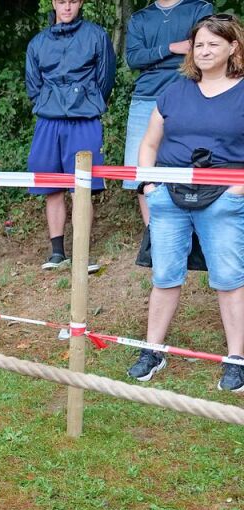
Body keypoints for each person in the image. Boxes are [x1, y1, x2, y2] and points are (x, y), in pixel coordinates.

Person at [130, 13, 244, 393]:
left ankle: (236, 359)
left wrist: (238, 191)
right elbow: (148, 143)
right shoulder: (174, 90)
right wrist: (148, 185)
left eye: (214, 43)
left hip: (224, 199)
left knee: (229, 279)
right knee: (164, 276)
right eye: (199, 44)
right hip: (168, 196)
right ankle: (152, 349)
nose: (205, 50)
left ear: (233, 47)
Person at [25, 0, 115, 271]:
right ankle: (56, 253)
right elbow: (33, 84)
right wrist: (49, 103)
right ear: (53, 3)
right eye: (62, 1)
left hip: (84, 120)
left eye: (73, 1)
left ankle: (81, 254)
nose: (67, 7)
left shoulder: (97, 36)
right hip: (48, 121)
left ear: (81, 3)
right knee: (51, 187)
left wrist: (87, 103)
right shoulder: (37, 43)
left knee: (81, 188)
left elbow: (105, 79)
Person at [125, 0, 213, 224]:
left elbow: (201, 50)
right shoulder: (139, 18)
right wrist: (171, 48)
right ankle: (152, 235)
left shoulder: (200, 8)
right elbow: (134, 59)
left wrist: (153, 58)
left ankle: (190, 233)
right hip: (146, 97)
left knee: (191, 164)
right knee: (142, 171)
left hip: (189, 93)